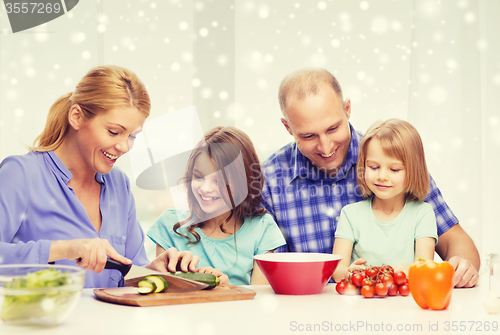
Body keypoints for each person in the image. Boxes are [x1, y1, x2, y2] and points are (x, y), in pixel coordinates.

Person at [261, 67, 480, 287]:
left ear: (347, 109)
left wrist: (461, 265)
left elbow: (455, 239)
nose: (326, 146)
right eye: (309, 135)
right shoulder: (269, 179)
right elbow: (261, 270)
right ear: (288, 127)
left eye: (333, 128)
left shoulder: (391, 158)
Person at [0, 65, 198, 288]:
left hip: (111, 323)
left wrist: (155, 271)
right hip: (41, 321)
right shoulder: (21, 174)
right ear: (76, 116)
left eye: (132, 136)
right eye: (114, 132)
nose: (124, 146)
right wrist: (64, 249)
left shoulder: (118, 185)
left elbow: (128, 269)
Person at [147, 126, 286, 285]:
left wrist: (227, 290)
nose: (206, 189)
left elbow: (260, 300)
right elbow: (158, 292)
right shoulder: (170, 225)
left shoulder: (262, 229)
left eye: (219, 180)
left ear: (245, 180)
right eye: (199, 176)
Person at [332, 119, 437, 282]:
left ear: (414, 170)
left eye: (394, 169)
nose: (381, 176)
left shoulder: (422, 213)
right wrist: (348, 273)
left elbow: (425, 267)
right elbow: (337, 270)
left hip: (404, 303)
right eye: (373, 167)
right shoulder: (350, 214)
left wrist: (409, 269)